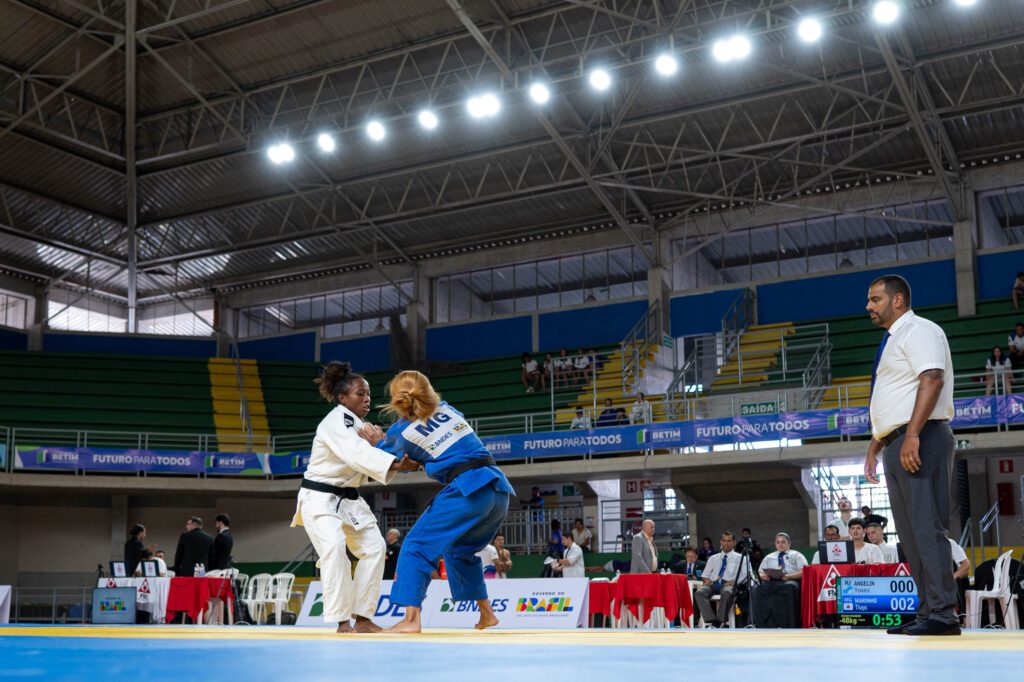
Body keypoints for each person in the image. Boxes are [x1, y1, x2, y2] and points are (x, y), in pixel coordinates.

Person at [364, 370, 514, 633]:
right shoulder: (448, 409)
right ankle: (487, 614)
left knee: (416, 545)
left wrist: (377, 442)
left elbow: (389, 460)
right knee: (459, 550)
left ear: (397, 400)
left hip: (468, 489)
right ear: (429, 391)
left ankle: (411, 620)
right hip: (498, 488)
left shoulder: (401, 431)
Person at [290, 361, 419, 634]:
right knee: (335, 547)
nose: (367, 399)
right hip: (320, 497)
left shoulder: (362, 426)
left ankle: (363, 618)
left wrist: (388, 451)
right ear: (342, 397)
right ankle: (341, 621)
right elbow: (357, 456)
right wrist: (396, 464)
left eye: (368, 394)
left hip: (348, 499)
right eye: (360, 393)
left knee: (375, 547)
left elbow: (365, 466)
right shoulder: (335, 422)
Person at [863, 274, 959, 636]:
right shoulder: (893, 339)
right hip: (897, 441)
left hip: (921, 437)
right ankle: (927, 610)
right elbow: (893, 399)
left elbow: (932, 377)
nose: (869, 306)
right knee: (909, 533)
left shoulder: (919, 330)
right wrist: (876, 445)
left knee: (927, 527)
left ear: (898, 300)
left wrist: (913, 434)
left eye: (875, 299)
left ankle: (944, 614)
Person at [753, 532, 807, 628]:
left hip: (790, 580)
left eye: (783, 542)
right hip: (772, 580)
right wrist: (764, 576)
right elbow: (760, 572)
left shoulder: (797, 555)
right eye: (778, 542)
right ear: (775, 544)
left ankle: (789, 622)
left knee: (789, 587)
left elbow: (804, 571)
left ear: (789, 543)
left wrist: (789, 576)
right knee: (758, 589)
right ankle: (762, 623)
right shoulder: (769, 557)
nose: (780, 544)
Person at [694, 532, 747, 628]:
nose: (726, 543)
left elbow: (746, 575)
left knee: (727, 593)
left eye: (729, 541)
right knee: (699, 593)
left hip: (728, 584)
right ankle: (711, 620)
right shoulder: (713, 558)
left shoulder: (741, 558)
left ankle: (720, 621)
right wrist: (707, 580)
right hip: (713, 584)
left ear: (734, 542)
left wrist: (734, 582)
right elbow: (705, 575)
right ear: (721, 542)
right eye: (724, 540)